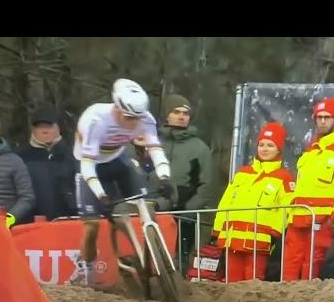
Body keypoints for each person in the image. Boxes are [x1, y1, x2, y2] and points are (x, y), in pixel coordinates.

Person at [72, 78, 173, 286]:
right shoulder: (95, 120)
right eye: (129, 117)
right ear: (116, 108)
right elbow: (87, 165)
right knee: (91, 227)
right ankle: (86, 271)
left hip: (118, 159)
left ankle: (151, 255)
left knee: (146, 204)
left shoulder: (145, 119)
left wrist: (164, 176)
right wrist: (101, 194)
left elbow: (156, 150)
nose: (134, 123)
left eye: (138, 118)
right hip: (90, 165)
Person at [283, 98, 334, 280]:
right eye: (319, 117)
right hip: (298, 217)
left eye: (327, 117)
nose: (322, 121)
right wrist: (289, 211)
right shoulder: (310, 150)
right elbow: (300, 185)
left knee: (311, 266)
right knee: (289, 265)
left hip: (322, 218)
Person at [212, 122, 294, 282]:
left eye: (270, 145)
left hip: (259, 241)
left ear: (279, 149)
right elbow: (226, 202)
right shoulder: (242, 173)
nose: (264, 148)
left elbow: (286, 208)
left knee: (253, 284)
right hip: (232, 238)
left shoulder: (285, 178)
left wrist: (275, 231)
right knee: (230, 281)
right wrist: (217, 228)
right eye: (261, 144)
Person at [158, 94, 213, 271]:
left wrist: (189, 209)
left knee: (178, 260)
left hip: (184, 212)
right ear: (167, 114)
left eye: (185, 113)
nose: (181, 116)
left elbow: (207, 184)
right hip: (153, 209)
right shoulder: (152, 142)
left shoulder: (199, 148)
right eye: (176, 112)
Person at [18, 105, 77, 220]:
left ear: (58, 128)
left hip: (70, 219)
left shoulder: (73, 153)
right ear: (33, 130)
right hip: (34, 220)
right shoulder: (21, 156)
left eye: (49, 126)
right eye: (40, 127)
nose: (45, 130)